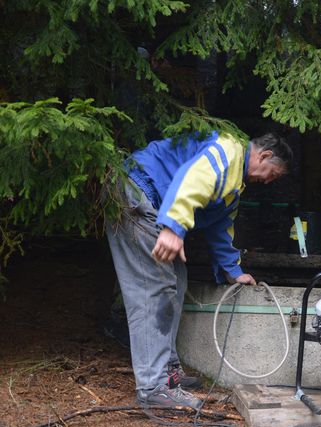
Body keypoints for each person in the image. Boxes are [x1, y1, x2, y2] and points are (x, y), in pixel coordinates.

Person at [106, 131, 293, 409]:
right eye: (272, 174)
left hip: (152, 201)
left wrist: (233, 271)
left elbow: (221, 228)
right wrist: (173, 227)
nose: (268, 181)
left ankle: (168, 371)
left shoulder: (234, 185)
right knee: (153, 289)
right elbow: (192, 179)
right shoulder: (228, 150)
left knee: (177, 280)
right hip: (138, 190)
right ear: (264, 155)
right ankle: (153, 386)